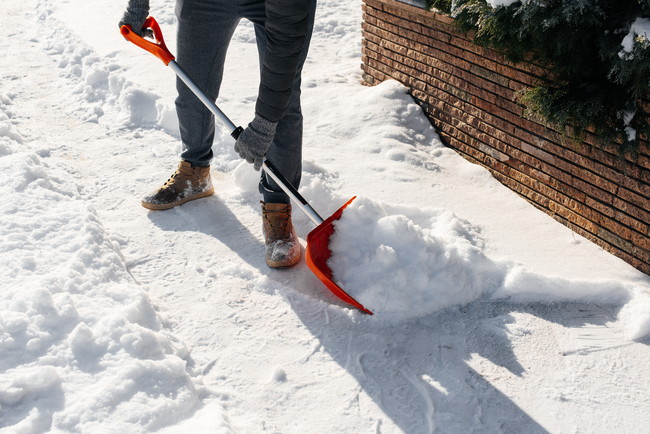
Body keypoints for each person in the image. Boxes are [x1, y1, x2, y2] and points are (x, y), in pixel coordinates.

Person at [119, 0, 317, 269]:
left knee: (285, 102)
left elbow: (285, 45)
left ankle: (277, 204)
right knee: (192, 83)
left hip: (278, 7)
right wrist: (138, 4)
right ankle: (195, 170)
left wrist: (265, 122)